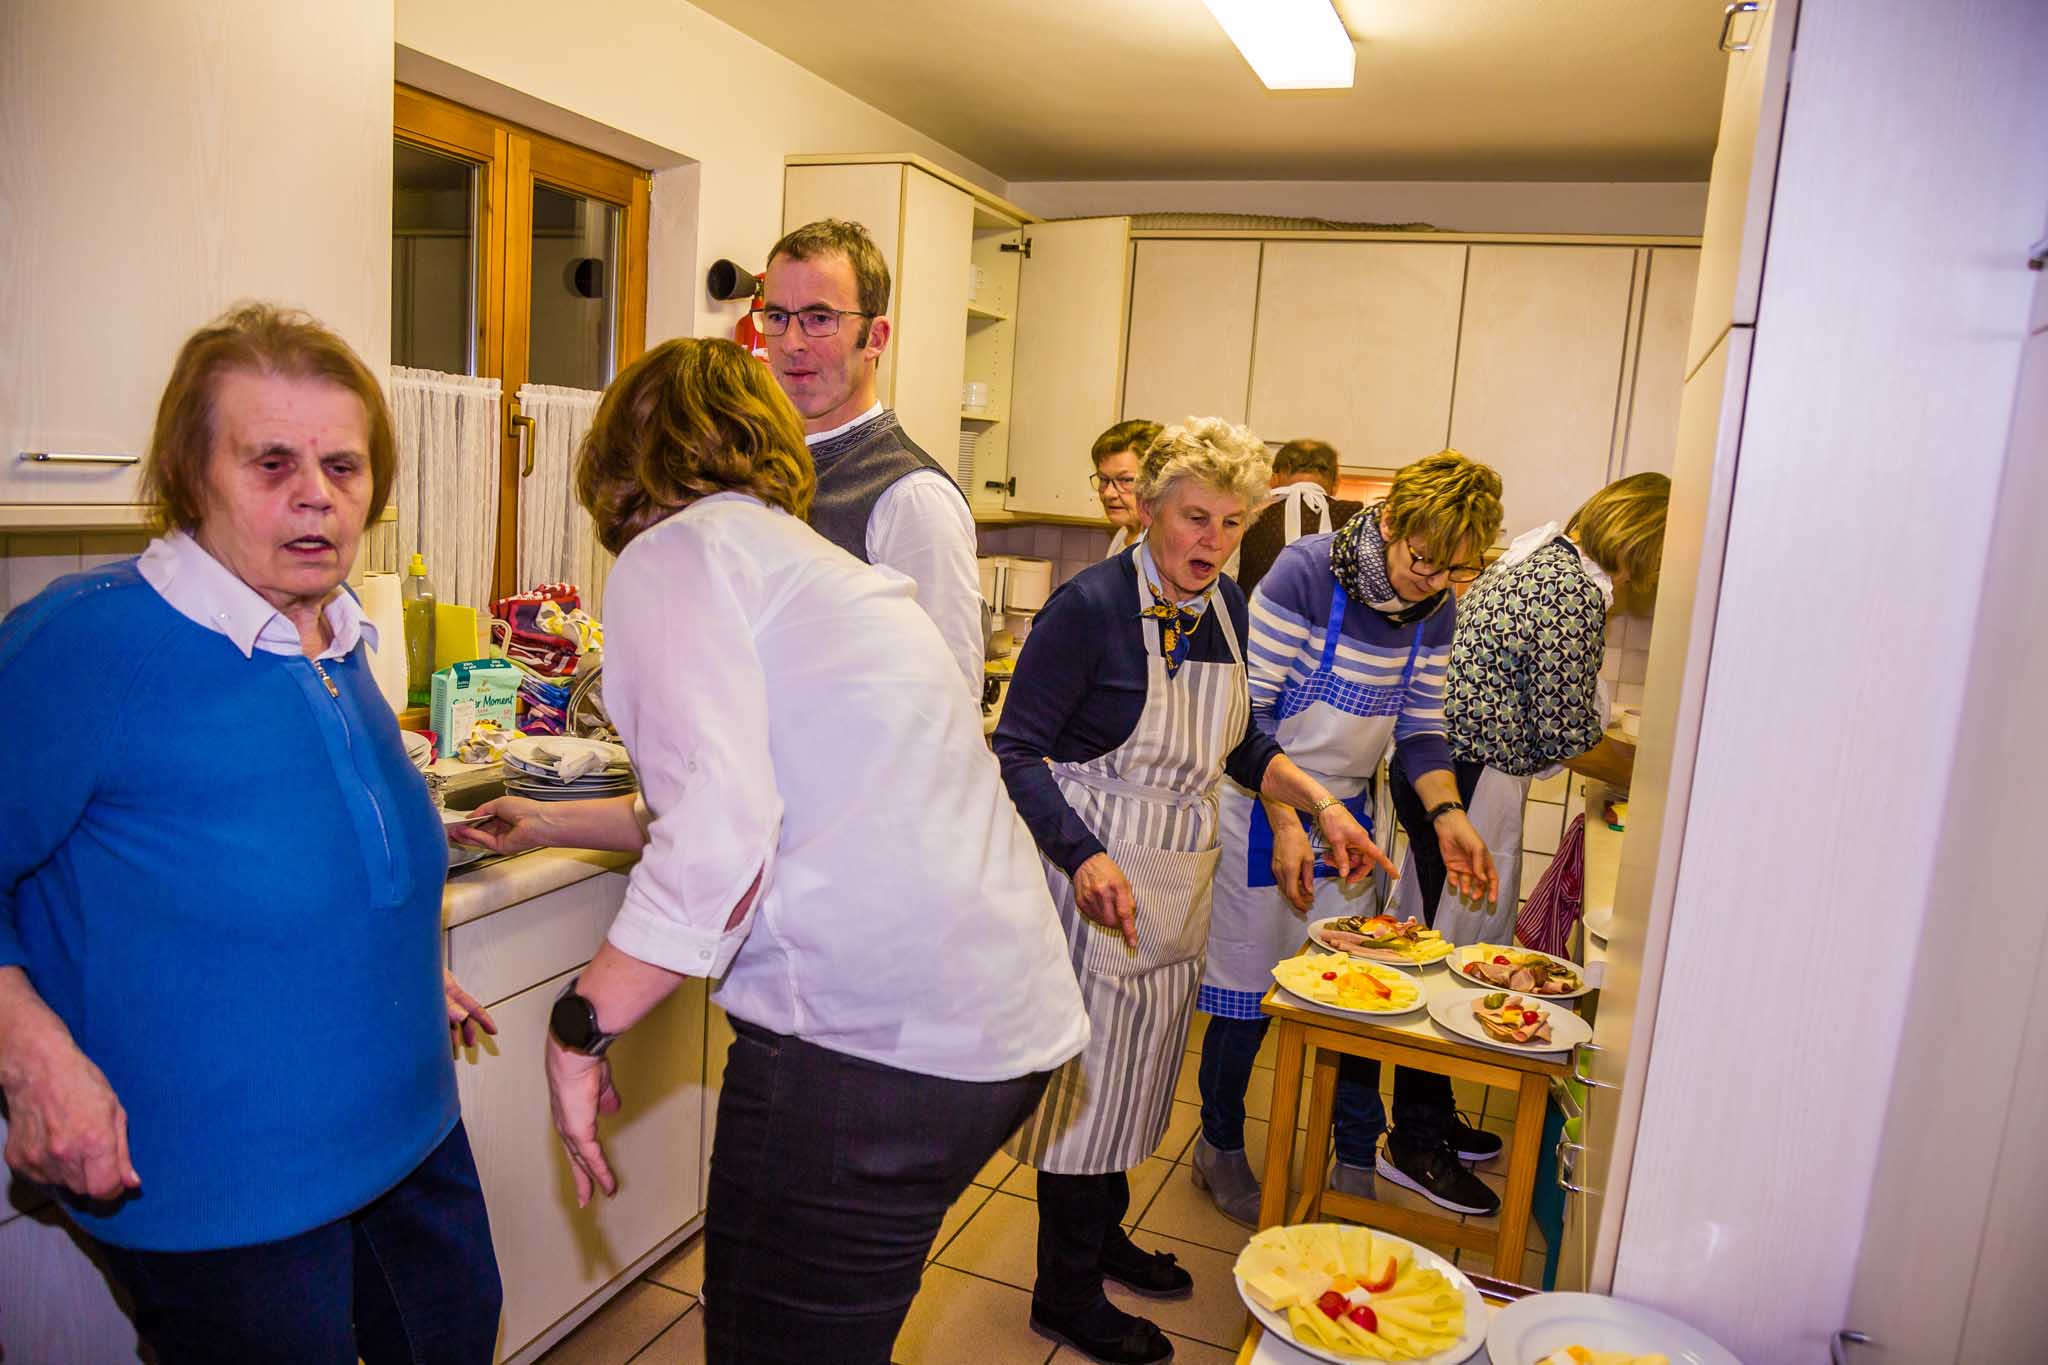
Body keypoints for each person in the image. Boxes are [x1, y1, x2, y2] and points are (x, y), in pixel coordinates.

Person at [453, 337, 1088, 1365]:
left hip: (868, 1049)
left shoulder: (676, 554)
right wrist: (550, 820)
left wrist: (580, 1028)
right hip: (996, 1031)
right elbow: (763, 802)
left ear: (622, 461)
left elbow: (721, 835)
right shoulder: (811, 567)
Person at [0, 303, 502, 1363]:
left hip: (411, 1127)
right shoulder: (86, 644)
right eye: (272, 462)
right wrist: (29, 1059)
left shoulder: (339, 636)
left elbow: (290, 852)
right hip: (222, 1180)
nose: (316, 494)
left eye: (343, 465)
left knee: (456, 1334)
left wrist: (384, 957)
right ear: (193, 475)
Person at [994, 417, 1389, 1365]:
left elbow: (1242, 742)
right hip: (1090, 881)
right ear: (1149, 510)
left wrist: (1320, 806)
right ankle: (1065, 1292)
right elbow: (1015, 749)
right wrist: (1082, 853)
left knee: (1137, 1083)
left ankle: (1104, 1238)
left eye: (1230, 521)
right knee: (1084, 1100)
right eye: (1194, 517)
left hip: (1174, 881)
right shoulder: (1088, 607)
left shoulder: (1226, 605)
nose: (1212, 539)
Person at [1194, 450, 1509, 1225]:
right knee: (1247, 997)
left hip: (1349, 823)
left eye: (1454, 571)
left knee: (1359, 997)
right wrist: (1287, 820)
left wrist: (1449, 815)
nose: (1433, 582)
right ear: (1392, 522)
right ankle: (1220, 1145)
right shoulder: (1306, 574)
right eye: (1423, 559)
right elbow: (1245, 719)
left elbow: (1421, 731)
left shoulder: (1435, 608)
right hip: (1259, 800)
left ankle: (1356, 1157)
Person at [1390, 472, 1673, 938]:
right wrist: (1653, 777)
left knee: (1429, 919)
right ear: (1642, 543)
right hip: (1472, 776)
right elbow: (1568, 739)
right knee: (1461, 932)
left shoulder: (1537, 558)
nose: (1648, 574)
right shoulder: (1572, 589)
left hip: (1434, 765)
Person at [757, 217, 983, 693]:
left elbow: (950, 695)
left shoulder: (913, 498)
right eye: (777, 317)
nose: (791, 343)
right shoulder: (759, 472)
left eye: (819, 319)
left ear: (875, 338)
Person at [1227, 437, 1364, 594]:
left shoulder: (1247, 516)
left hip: (1257, 609)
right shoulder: (1357, 517)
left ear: (1273, 479)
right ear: (1335, 484)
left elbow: (1226, 579)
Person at [1089, 418, 1159, 557]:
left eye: (1126, 480)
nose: (1109, 493)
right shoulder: (1123, 534)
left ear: (1157, 481)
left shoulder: (1158, 549)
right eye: (1103, 479)